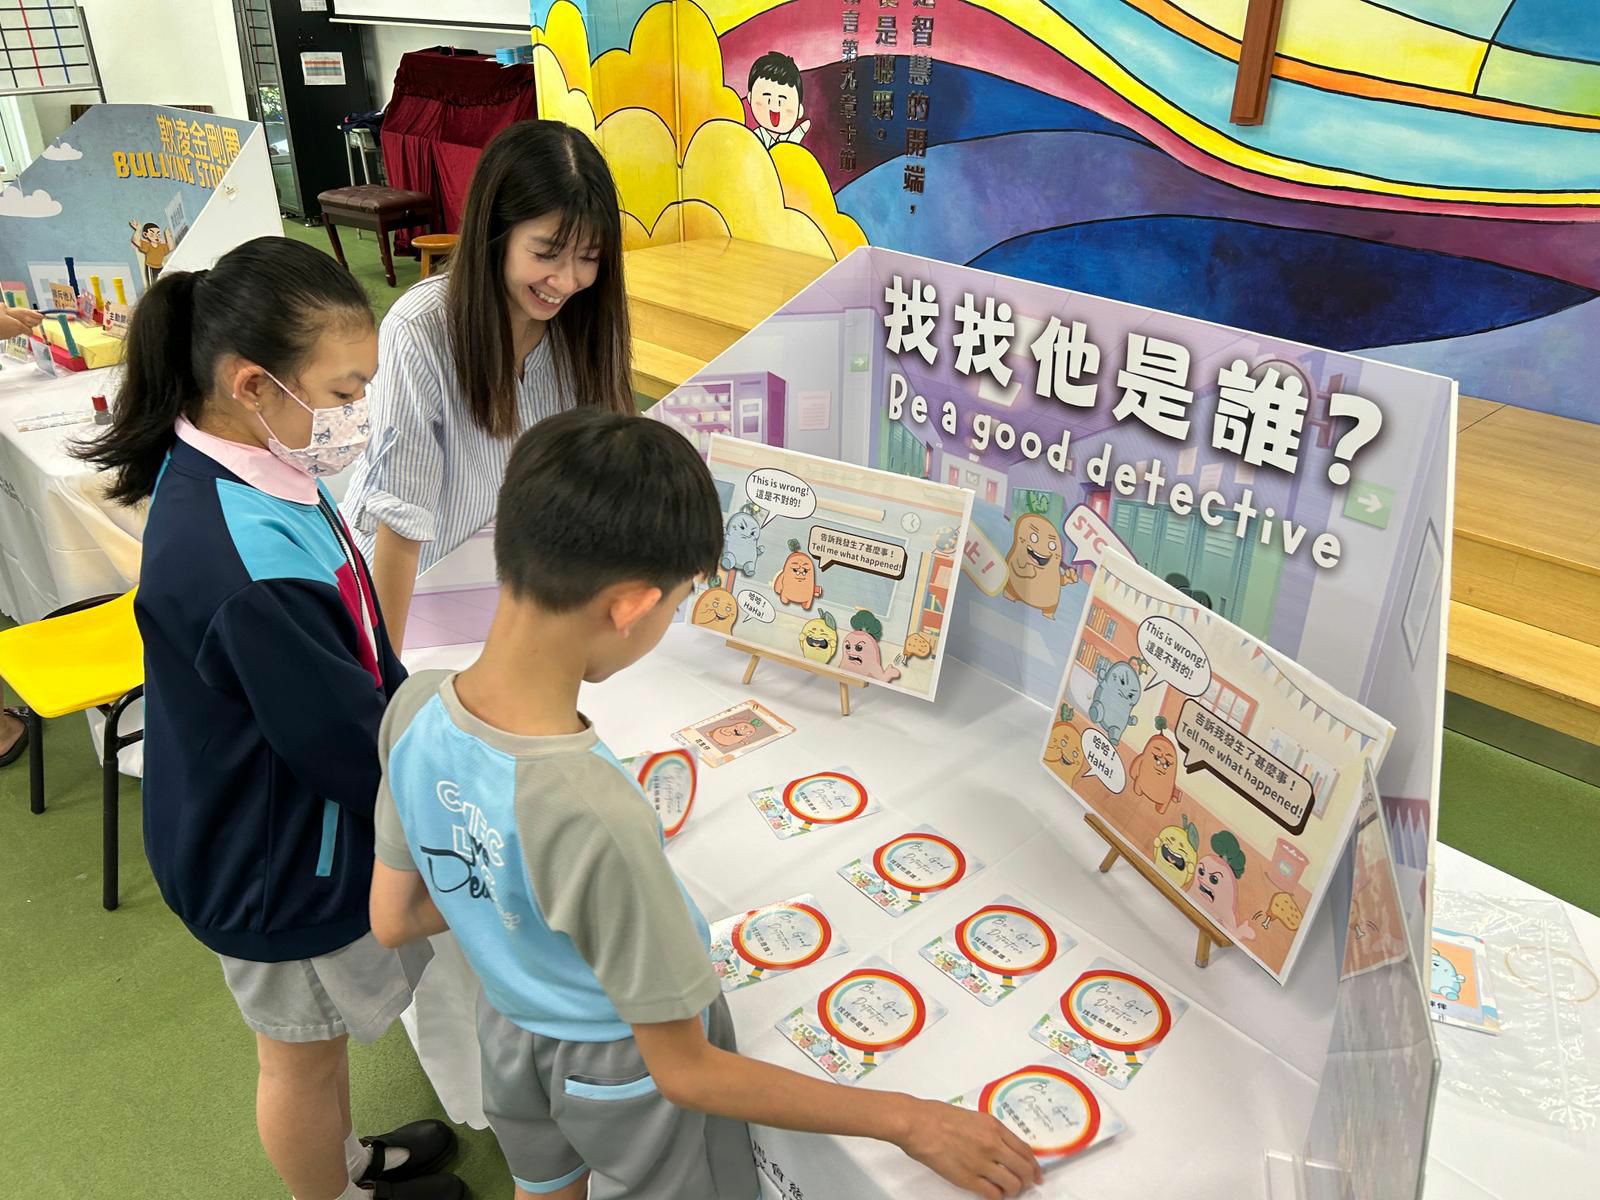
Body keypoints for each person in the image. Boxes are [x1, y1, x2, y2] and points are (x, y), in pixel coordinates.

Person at [369, 409, 1042, 1200]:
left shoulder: (415, 705)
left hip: (510, 1037)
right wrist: (907, 1118)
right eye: (679, 601)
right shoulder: (595, 814)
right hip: (618, 1076)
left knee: (544, 1185)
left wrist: (511, 894)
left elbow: (394, 917)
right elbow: (687, 1073)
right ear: (630, 606)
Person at [72, 237, 464, 1200]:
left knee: (314, 1048)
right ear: (253, 385)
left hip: (262, 817)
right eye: (343, 393)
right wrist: (464, 791)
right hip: (270, 857)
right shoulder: (246, 565)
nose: (357, 415)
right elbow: (343, 747)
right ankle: (331, 1192)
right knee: (299, 1059)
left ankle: (345, 1162)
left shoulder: (252, 465)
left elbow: (352, 640)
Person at [340, 119, 633, 651]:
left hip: (509, 589)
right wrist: (385, 673)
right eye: (546, 253)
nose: (568, 280)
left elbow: (599, 478)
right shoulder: (422, 328)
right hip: (410, 590)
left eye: (589, 258)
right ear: (494, 234)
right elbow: (399, 519)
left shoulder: (587, 324)